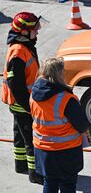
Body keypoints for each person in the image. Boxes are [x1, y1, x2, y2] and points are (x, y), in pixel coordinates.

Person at [30, 58, 88, 193]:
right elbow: (82, 125)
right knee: (68, 185)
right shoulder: (66, 99)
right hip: (65, 152)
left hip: (42, 150)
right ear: (59, 75)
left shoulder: (34, 94)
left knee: (49, 183)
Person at [2, 12, 43, 185]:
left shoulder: (23, 45)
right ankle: (35, 173)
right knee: (30, 139)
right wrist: (28, 106)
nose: (38, 31)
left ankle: (20, 165)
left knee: (19, 135)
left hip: (19, 102)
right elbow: (15, 83)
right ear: (24, 32)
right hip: (22, 103)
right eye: (34, 29)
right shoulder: (19, 52)